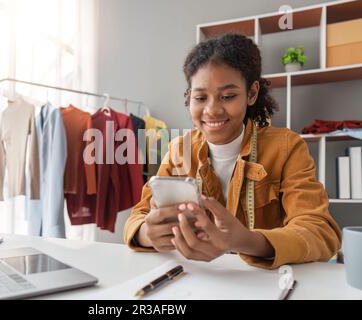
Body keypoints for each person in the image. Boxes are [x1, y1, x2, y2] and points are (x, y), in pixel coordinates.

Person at [123, 33, 341, 269]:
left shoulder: (287, 148)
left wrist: (247, 241)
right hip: (199, 280)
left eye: (227, 96)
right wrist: (147, 233)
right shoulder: (179, 149)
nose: (212, 110)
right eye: (200, 97)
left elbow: (320, 232)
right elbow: (138, 217)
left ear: (252, 93)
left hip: (265, 284)